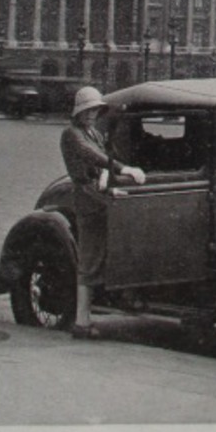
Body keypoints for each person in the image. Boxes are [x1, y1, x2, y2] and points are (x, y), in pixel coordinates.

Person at [60, 86, 146, 339]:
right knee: (90, 258)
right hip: (86, 196)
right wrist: (123, 168)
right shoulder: (72, 134)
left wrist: (110, 176)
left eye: (95, 110)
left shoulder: (92, 133)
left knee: (116, 246)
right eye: (87, 111)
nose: (91, 115)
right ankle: (82, 322)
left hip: (99, 193)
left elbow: (104, 155)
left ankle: (124, 295)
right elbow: (93, 156)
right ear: (79, 112)